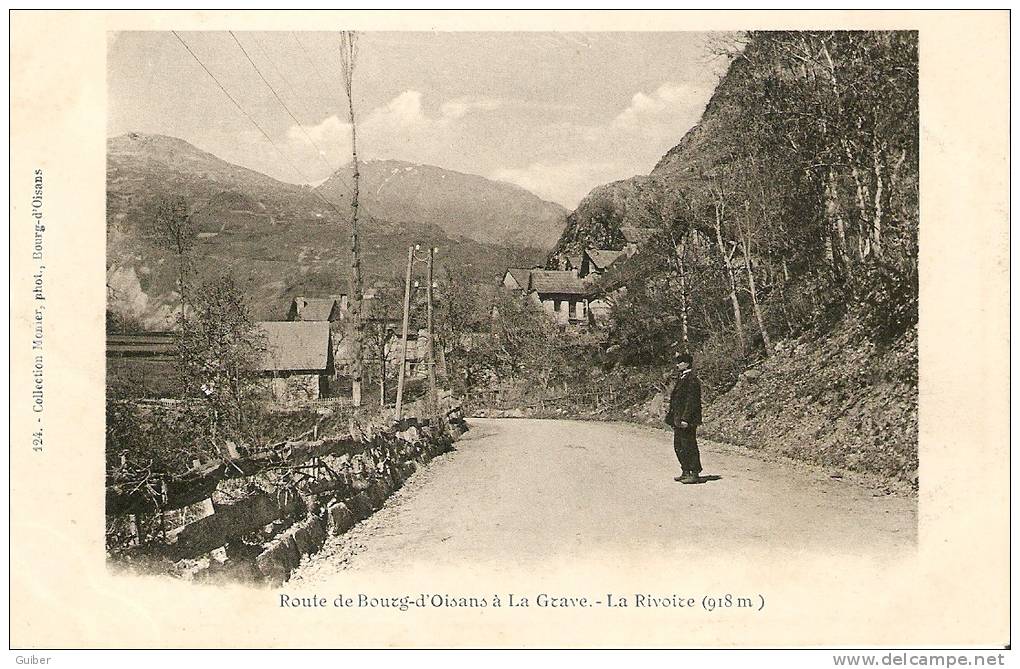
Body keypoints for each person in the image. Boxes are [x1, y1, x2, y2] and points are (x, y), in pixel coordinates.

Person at [665, 351, 703, 484]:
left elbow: (692, 402)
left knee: (689, 444)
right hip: (678, 418)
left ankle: (694, 472)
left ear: (687, 364)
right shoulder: (681, 378)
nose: (678, 365)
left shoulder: (692, 379)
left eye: (680, 362)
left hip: (687, 419)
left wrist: (686, 419)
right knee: (679, 445)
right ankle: (685, 470)